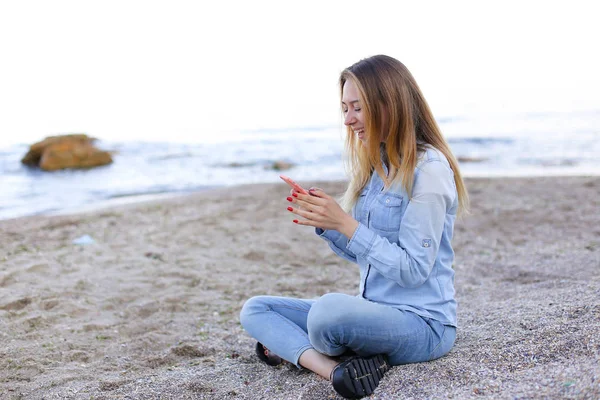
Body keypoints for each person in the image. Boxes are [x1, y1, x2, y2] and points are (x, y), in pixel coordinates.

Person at [239, 54, 469, 399]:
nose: (348, 120)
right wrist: (328, 221)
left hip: (424, 326)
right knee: (257, 308)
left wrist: (345, 223)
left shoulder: (430, 171)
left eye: (357, 108)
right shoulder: (376, 167)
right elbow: (365, 251)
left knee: (328, 313)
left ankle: (306, 351)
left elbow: (413, 271)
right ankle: (337, 371)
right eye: (344, 108)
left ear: (389, 104)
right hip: (374, 312)